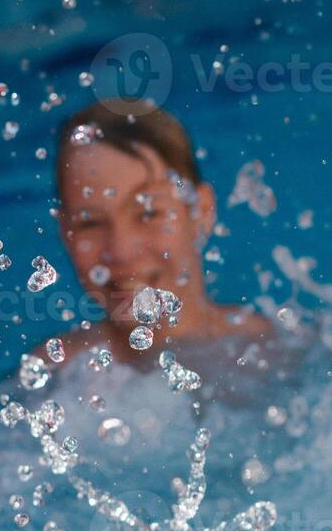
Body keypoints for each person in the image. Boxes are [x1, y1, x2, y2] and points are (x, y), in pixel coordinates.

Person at [50, 99, 271, 366]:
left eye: (148, 213)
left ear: (200, 210)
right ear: (66, 232)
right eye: (90, 223)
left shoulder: (279, 352)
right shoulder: (57, 377)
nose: (121, 252)